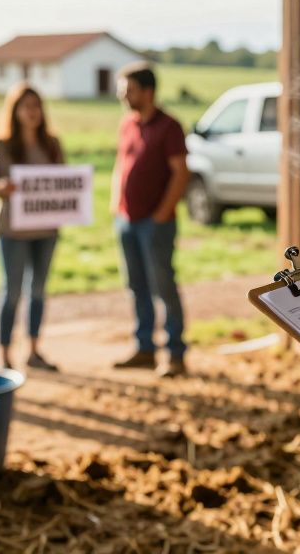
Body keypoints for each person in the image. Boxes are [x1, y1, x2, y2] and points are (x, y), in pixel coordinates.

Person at [110, 62, 191, 377]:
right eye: (122, 89)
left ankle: (175, 353)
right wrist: (116, 204)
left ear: (148, 91)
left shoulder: (169, 127)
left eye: (128, 89)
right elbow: (122, 163)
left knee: (163, 286)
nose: (123, 95)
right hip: (126, 220)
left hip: (155, 223)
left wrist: (162, 213)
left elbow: (180, 173)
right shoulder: (127, 124)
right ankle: (144, 348)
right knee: (136, 285)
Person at [0, 84, 64, 371]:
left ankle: (34, 349)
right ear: (15, 111)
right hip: (12, 230)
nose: (32, 112)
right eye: (26, 106)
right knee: (12, 291)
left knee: (38, 290)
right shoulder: (1, 144)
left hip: (46, 230)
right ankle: (4, 355)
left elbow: (63, 183)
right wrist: (0, 187)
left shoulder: (52, 144)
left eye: (36, 106)